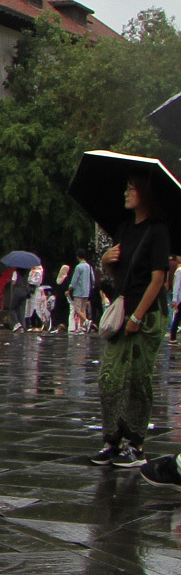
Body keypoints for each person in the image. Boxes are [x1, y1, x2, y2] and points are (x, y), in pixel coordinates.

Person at [95, 178, 171, 470]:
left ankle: (135, 444)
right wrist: (106, 261)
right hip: (122, 309)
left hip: (148, 314)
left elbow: (158, 279)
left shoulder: (158, 231)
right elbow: (120, 275)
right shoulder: (124, 229)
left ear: (146, 194)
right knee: (109, 377)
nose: (125, 193)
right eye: (124, 187)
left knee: (139, 378)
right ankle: (112, 439)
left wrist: (138, 316)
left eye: (131, 188)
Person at [70, 253, 97, 333]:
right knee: (83, 309)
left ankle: (86, 321)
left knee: (77, 309)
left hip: (78, 291)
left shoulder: (79, 267)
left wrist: (71, 288)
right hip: (86, 291)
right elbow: (93, 278)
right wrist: (91, 287)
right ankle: (82, 326)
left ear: (78, 256)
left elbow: (75, 279)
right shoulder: (89, 266)